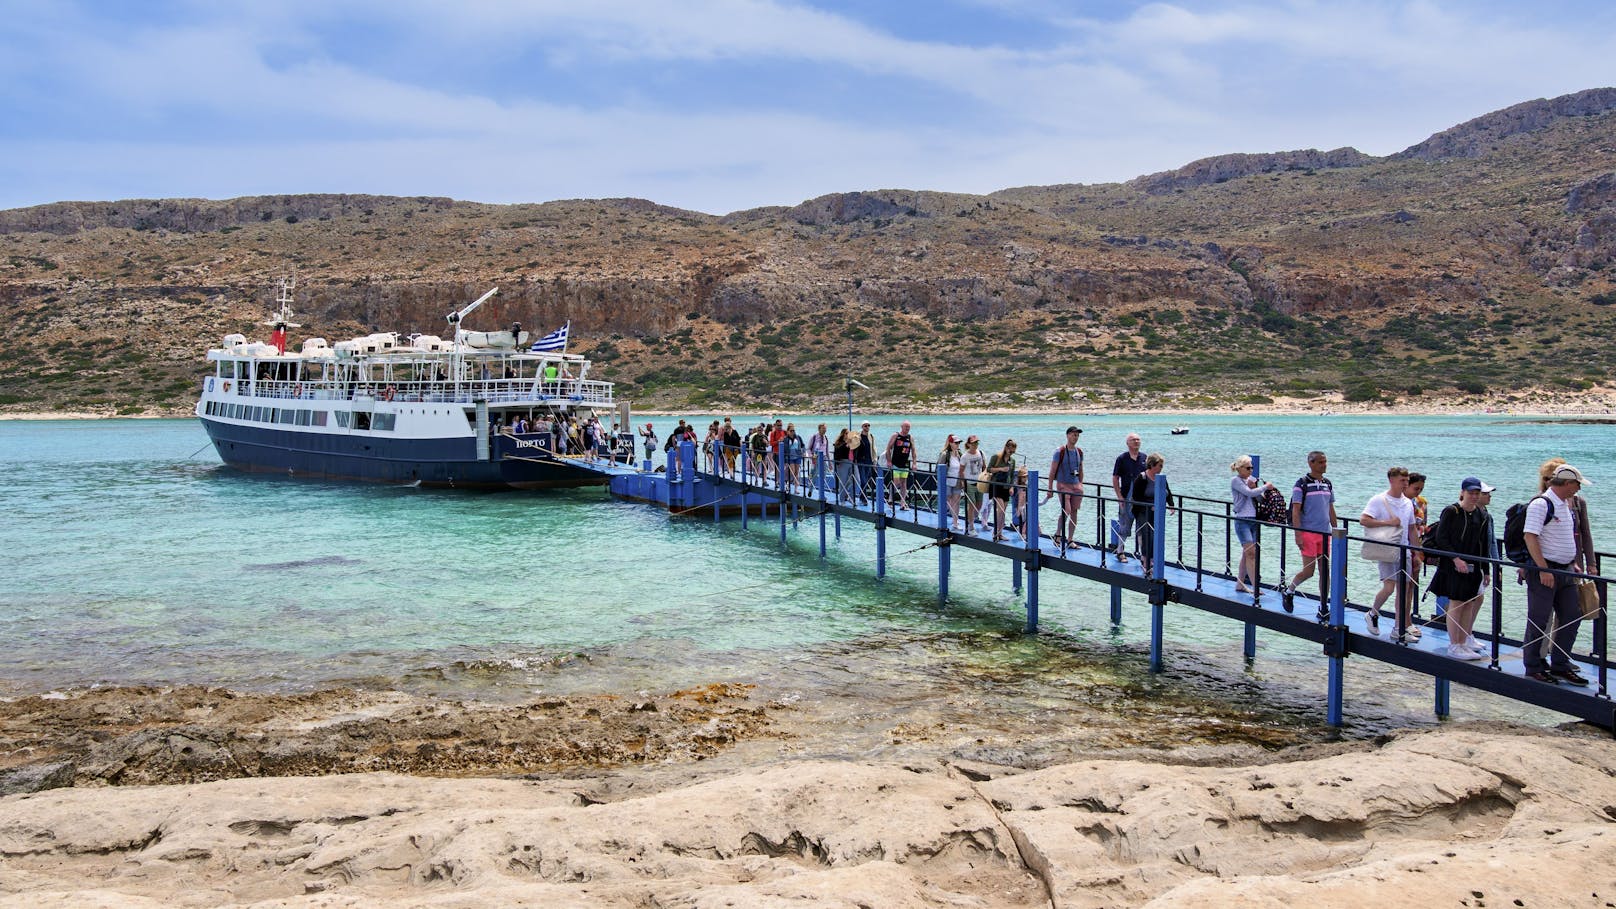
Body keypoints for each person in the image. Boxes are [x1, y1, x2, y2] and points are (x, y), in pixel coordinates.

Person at [1522, 462, 1595, 685]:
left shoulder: (1566, 504)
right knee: (1539, 618)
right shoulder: (1541, 504)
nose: (1578, 489)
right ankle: (1533, 665)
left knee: (1572, 615)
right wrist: (1543, 568)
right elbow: (1530, 536)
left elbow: (1568, 535)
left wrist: (1573, 561)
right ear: (1566, 483)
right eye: (1576, 484)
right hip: (1546, 571)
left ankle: (1560, 664)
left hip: (1566, 570)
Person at [1427, 477, 1493, 660]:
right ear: (1463, 492)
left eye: (1476, 493)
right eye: (1471, 493)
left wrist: (1485, 570)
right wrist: (1455, 558)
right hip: (1453, 565)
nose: (1474, 496)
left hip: (1473, 566)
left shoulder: (1482, 515)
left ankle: (1463, 642)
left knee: (1469, 603)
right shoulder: (1451, 511)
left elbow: (1483, 544)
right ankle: (1454, 644)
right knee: (1456, 603)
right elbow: (1442, 538)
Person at [1360, 466, 1416, 640]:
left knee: (1404, 590)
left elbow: (1412, 529)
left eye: (1407, 480)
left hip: (1404, 550)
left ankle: (1399, 628)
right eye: (1402, 480)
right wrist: (1388, 522)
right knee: (1390, 587)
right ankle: (1372, 613)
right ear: (1392, 480)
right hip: (1387, 548)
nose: (1405, 484)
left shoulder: (1408, 502)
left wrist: (1418, 552)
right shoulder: (1379, 499)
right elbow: (1364, 520)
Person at [1285, 450, 1338, 621]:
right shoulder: (1301, 484)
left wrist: (1336, 530)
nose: (1324, 465)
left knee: (1325, 570)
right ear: (1311, 463)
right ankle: (1290, 590)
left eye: (1325, 461)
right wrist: (1298, 535)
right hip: (1308, 533)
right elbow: (1295, 510)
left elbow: (1330, 508)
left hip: (1325, 534)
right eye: (1321, 462)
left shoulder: (1327, 484)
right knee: (1309, 571)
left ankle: (1323, 606)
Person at [1229, 456, 1274, 594]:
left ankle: (1240, 584)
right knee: (1251, 554)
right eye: (1248, 468)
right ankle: (1256, 588)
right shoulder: (1236, 481)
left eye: (1252, 468)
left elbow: (1258, 498)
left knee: (1246, 554)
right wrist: (1265, 486)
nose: (1251, 470)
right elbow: (1247, 493)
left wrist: (1258, 488)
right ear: (1240, 468)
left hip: (1253, 520)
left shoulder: (1251, 481)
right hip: (1242, 520)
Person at [1129, 453, 1174, 576]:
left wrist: (1171, 504)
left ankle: (1153, 559)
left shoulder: (1160, 477)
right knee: (1146, 535)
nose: (1161, 468)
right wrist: (1149, 506)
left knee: (1155, 535)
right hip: (1143, 510)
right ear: (1152, 465)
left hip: (1157, 511)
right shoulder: (1142, 478)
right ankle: (1145, 560)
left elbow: (1167, 492)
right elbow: (1136, 497)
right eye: (1160, 465)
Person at [1046, 426, 1085, 550]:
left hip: (1076, 485)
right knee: (1066, 510)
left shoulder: (1079, 452)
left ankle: (1070, 539)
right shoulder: (1060, 451)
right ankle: (1058, 535)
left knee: (1074, 512)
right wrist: (1050, 488)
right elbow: (1052, 471)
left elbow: (1081, 469)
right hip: (1063, 485)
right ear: (1067, 435)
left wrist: (1080, 484)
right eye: (1073, 434)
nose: (1076, 437)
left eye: (1077, 435)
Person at [1111, 433, 1147, 561]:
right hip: (1126, 496)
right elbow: (1115, 478)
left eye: (1138, 439)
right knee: (1124, 525)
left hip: (1141, 500)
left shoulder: (1144, 458)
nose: (1136, 441)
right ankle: (1120, 552)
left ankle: (1144, 556)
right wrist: (1119, 496)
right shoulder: (1122, 458)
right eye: (1133, 440)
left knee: (1142, 528)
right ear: (1128, 443)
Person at [987, 440, 1019, 542]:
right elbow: (988, 469)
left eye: (1013, 451)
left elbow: (1013, 475)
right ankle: (995, 531)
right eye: (1010, 449)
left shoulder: (1012, 461)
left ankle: (1000, 533)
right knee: (1000, 509)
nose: (1011, 452)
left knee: (1003, 511)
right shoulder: (996, 457)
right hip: (996, 486)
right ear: (1006, 447)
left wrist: (1012, 487)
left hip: (1006, 487)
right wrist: (1000, 469)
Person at [884, 420, 916, 512]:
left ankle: (902, 503)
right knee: (896, 482)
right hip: (895, 463)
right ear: (901, 427)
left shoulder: (910, 437)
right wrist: (889, 461)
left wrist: (914, 463)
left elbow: (913, 450)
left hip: (905, 464)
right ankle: (890, 499)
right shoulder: (896, 436)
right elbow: (888, 448)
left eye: (909, 427)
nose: (907, 429)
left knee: (903, 484)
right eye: (906, 427)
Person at [961, 435, 987, 534]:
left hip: (980, 483)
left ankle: (972, 519)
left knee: (979, 504)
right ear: (968, 444)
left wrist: (984, 476)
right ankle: (971, 526)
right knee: (971, 505)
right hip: (969, 483)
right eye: (973, 443)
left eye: (977, 443)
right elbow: (961, 470)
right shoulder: (965, 456)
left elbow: (984, 466)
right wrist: (962, 482)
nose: (975, 445)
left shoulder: (980, 453)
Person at [940, 435, 963, 530]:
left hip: (957, 481)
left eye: (958, 443)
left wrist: (962, 481)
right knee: (948, 500)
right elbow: (939, 468)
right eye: (956, 443)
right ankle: (943, 519)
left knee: (956, 502)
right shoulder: (945, 454)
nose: (957, 445)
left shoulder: (960, 454)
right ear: (950, 443)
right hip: (947, 481)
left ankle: (955, 522)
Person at [854, 421, 876, 504]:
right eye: (865, 426)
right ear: (862, 427)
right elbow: (853, 446)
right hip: (860, 460)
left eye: (868, 426)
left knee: (866, 480)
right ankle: (864, 499)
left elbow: (873, 448)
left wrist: (874, 460)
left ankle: (861, 496)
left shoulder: (871, 436)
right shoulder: (858, 436)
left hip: (869, 460)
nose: (867, 427)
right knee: (863, 480)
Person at [833, 428, 856, 503]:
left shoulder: (851, 442)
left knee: (856, 480)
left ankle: (851, 497)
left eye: (848, 433)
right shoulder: (839, 443)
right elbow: (838, 451)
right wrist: (837, 463)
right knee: (843, 481)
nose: (847, 435)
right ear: (842, 434)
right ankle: (842, 499)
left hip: (852, 462)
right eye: (846, 433)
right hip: (842, 462)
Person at [783, 424, 805, 489]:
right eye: (791, 430)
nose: (793, 432)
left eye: (793, 430)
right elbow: (784, 449)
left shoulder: (798, 437)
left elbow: (803, 445)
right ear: (788, 431)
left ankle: (796, 489)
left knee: (796, 472)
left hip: (797, 456)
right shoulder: (786, 439)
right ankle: (789, 484)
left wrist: (803, 452)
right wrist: (785, 459)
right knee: (792, 472)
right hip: (790, 457)